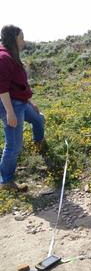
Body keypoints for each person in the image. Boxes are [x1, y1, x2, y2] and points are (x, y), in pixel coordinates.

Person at [0, 25, 45, 191]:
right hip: (11, 106)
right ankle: (6, 182)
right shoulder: (3, 58)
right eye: (21, 38)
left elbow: (20, 84)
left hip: (21, 102)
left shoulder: (12, 55)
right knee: (13, 146)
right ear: (13, 39)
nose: (24, 42)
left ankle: (38, 143)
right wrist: (10, 113)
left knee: (39, 118)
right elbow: (2, 88)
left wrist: (30, 102)